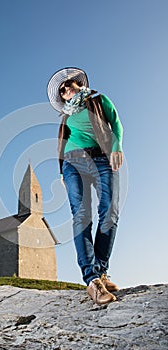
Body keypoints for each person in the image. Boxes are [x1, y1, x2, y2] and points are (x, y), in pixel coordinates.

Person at [47, 67, 123, 305]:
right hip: (73, 162)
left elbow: (116, 123)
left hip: (101, 158)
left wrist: (116, 147)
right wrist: (62, 171)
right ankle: (92, 280)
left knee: (110, 212)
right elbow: (62, 144)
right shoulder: (66, 116)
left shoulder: (99, 99)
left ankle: (101, 270)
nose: (65, 89)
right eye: (62, 90)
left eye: (68, 84)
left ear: (77, 83)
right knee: (81, 215)